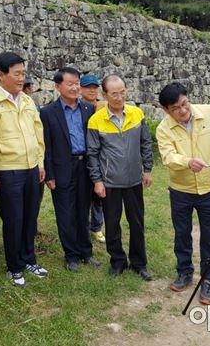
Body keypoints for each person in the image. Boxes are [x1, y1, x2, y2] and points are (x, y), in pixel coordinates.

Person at [156, 82, 210, 304]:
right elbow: (167, 157)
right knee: (182, 234)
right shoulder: (163, 128)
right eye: (176, 109)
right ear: (166, 111)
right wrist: (186, 162)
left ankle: (209, 279)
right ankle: (184, 272)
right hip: (181, 190)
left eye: (185, 104)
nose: (183, 111)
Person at [0, 52, 48, 287]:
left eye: (24, 73)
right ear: (1, 75)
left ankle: (29, 259)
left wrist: (40, 163)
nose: (21, 78)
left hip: (31, 168)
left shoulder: (26, 100)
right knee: (14, 218)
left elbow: (38, 134)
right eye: (17, 74)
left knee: (30, 216)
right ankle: (14, 266)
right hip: (8, 170)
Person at [87, 74, 154, 281]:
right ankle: (117, 261)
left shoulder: (137, 114)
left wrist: (148, 169)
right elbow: (92, 154)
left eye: (122, 92)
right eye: (114, 94)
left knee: (137, 222)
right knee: (112, 223)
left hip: (134, 180)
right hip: (110, 182)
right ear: (104, 95)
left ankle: (139, 263)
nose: (119, 97)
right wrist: (97, 181)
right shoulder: (96, 120)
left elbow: (145, 143)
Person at [40, 68, 101, 273]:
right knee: (65, 212)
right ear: (58, 86)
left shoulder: (88, 109)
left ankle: (86, 251)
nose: (75, 87)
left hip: (85, 166)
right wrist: (49, 174)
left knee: (83, 210)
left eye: (77, 83)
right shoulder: (48, 112)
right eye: (70, 83)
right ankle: (71, 254)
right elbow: (46, 145)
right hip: (62, 167)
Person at [80, 72, 106, 243]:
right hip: (82, 157)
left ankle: (96, 227)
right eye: (88, 87)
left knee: (99, 195)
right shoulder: (77, 107)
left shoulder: (104, 107)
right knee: (83, 195)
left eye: (94, 87)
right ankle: (82, 226)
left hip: (100, 157)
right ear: (81, 89)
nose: (91, 90)